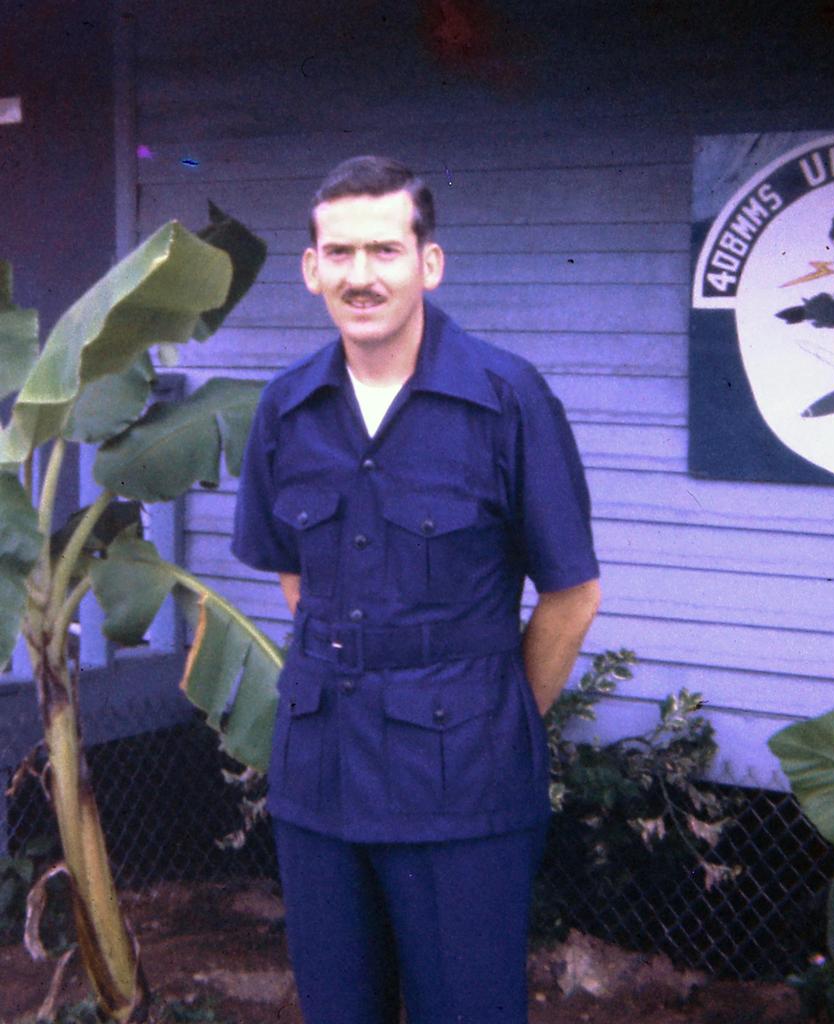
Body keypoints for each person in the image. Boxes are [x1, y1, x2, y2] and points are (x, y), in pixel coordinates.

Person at [232, 155, 600, 1024]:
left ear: (428, 263)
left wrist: (493, 717)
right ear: (311, 268)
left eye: (385, 251)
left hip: (461, 786)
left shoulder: (506, 400)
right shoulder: (286, 409)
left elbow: (571, 596)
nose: (361, 276)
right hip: (319, 778)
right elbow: (296, 576)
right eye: (340, 253)